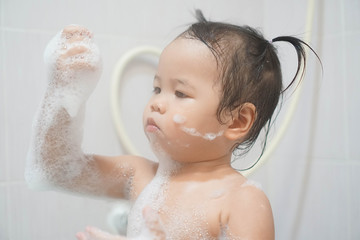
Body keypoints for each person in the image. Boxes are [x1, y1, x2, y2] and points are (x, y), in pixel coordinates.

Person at [25, 10, 319, 240]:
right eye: (156, 88)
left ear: (238, 121)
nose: (157, 103)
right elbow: (56, 168)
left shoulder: (242, 202)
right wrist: (63, 91)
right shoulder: (139, 176)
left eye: (180, 93)